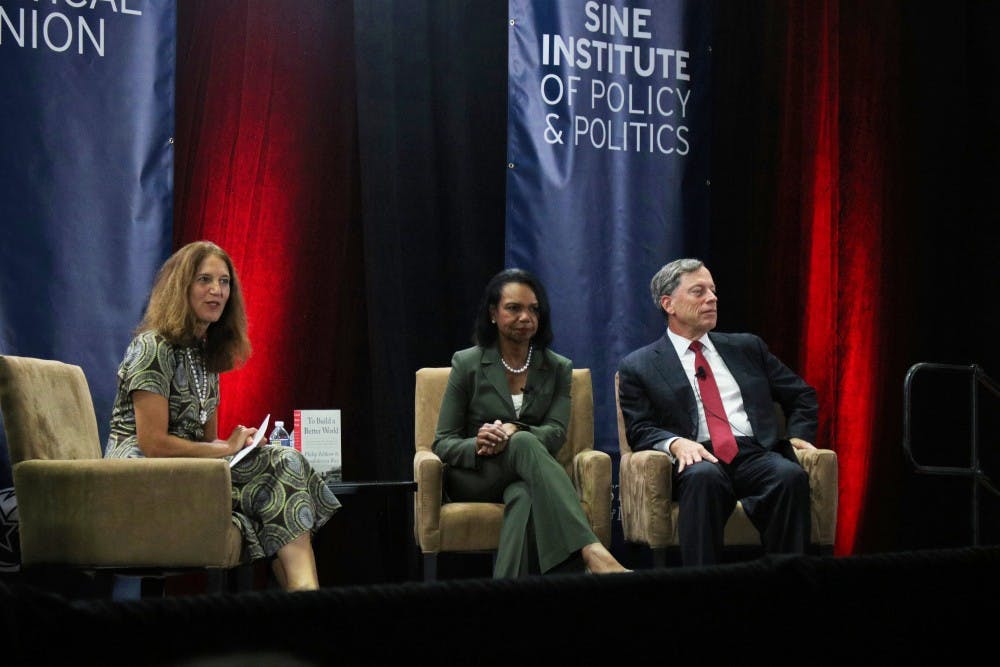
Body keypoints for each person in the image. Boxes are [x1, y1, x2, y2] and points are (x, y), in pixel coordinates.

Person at [105, 240, 340, 591]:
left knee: (284, 461)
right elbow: (152, 443)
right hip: (142, 473)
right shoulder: (152, 347)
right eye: (204, 280)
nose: (217, 290)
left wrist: (239, 444)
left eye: (224, 282)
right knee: (277, 480)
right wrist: (223, 449)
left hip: (189, 467)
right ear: (180, 287)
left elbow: (204, 442)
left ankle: (304, 594)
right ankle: (305, 597)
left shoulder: (205, 354)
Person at [617, 258, 816, 566]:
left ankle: (788, 590)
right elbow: (640, 428)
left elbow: (801, 394)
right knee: (703, 480)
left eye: (713, 290)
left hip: (753, 452)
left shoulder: (748, 348)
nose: (712, 298)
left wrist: (800, 435)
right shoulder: (639, 365)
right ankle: (703, 592)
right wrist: (675, 443)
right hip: (697, 455)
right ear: (668, 304)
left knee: (789, 476)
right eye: (699, 291)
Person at [433, 268, 628, 578]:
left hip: (528, 474)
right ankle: (591, 551)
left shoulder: (557, 367)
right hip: (476, 476)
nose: (526, 317)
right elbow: (442, 442)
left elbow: (555, 433)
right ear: (493, 314)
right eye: (514, 308)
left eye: (533, 309)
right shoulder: (467, 363)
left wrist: (514, 429)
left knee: (523, 495)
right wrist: (479, 443)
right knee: (523, 442)